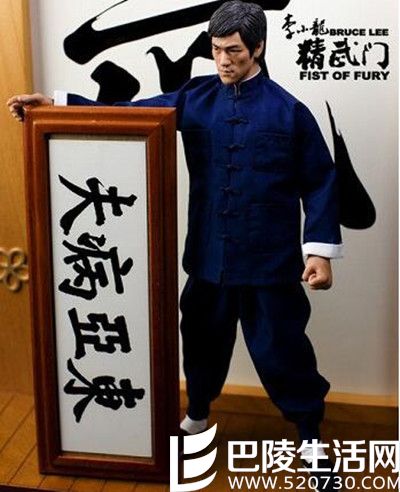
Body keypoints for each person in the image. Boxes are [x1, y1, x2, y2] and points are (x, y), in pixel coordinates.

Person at [8, 1, 343, 489]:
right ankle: (198, 413)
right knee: (201, 342)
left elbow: (320, 181)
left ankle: (310, 433)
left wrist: (319, 251)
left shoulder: (289, 112)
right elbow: (129, 115)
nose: (223, 60)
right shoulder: (195, 97)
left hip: (270, 263)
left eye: (234, 50)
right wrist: (55, 105)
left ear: (258, 49)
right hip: (207, 258)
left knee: (282, 351)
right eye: (216, 49)